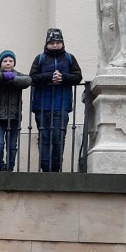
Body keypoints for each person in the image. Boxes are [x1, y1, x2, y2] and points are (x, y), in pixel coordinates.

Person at [29, 28, 82, 172]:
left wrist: (63, 77)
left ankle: (56, 168)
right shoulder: (39, 58)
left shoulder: (69, 58)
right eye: (52, 43)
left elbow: (78, 76)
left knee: (59, 137)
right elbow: (32, 77)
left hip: (61, 104)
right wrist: (49, 76)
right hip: (42, 105)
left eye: (58, 42)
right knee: (44, 137)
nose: (55, 45)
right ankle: (45, 168)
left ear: (62, 43)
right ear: (47, 44)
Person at [0, 50, 31, 171]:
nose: (8, 63)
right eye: (5, 61)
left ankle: (10, 168)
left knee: (12, 146)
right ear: (0, 63)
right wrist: (2, 77)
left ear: (14, 63)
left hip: (14, 117)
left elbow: (28, 80)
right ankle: (0, 167)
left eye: (11, 61)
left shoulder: (18, 75)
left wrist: (12, 79)